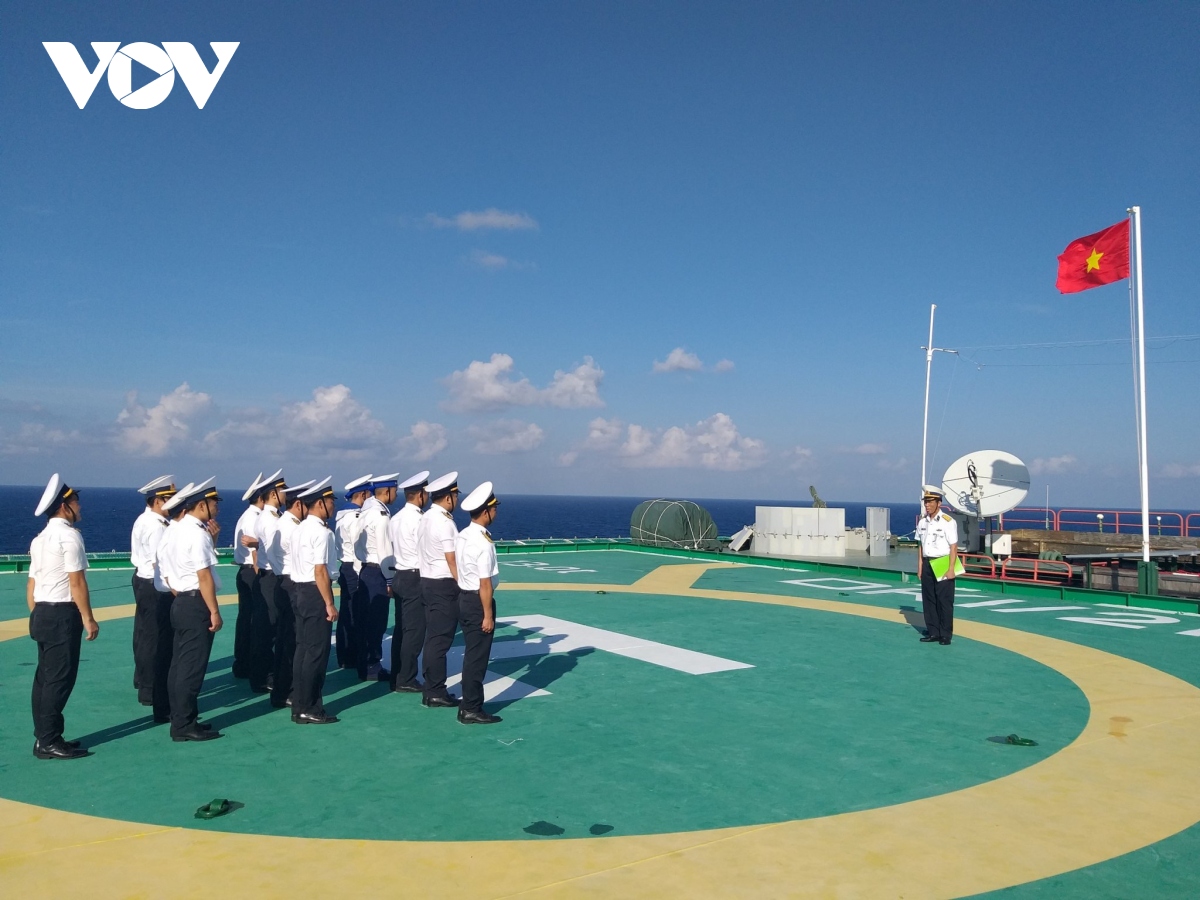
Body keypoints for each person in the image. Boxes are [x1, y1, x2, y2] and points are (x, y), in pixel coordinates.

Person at [27, 474, 98, 760]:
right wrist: (88, 618)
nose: (79, 507)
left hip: (42, 611)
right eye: (75, 502)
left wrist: (38, 613)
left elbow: (32, 583)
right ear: (63, 506)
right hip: (61, 614)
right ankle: (49, 741)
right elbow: (77, 582)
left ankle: (45, 736)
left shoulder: (39, 539)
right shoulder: (69, 536)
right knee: (59, 680)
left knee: (44, 679)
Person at [159, 479, 225, 742]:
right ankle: (184, 725)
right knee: (192, 667)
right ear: (201, 505)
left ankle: (183, 718)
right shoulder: (197, 534)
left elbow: (166, 573)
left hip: (181, 601)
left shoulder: (174, 531)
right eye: (213, 503)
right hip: (196, 603)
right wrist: (214, 611)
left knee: (179, 665)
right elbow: (204, 576)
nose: (217, 508)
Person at [288, 478, 340, 724]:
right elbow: (320, 571)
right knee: (316, 654)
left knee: (303, 651)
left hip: (299, 591)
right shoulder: (321, 532)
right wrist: (329, 603)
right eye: (330, 501)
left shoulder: (299, 529)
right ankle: (310, 707)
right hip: (314, 592)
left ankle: (299, 705)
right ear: (320, 503)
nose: (333, 505)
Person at [455, 482, 502, 725]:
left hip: (464, 598)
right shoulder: (483, 542)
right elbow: (485, 583)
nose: (496, 512)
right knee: (477, 658)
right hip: (477, 602)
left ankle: (468, 704)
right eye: (494, 509)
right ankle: (471, 708)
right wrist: (487, 615)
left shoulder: (463, 535)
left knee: (471, 655)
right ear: (485, 512)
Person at [130, 475, 176, 705]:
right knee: (154, 638)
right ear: (158, 501)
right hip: (153, 584)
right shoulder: (157, 526)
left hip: (143, 579)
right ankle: (149, 689)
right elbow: (161, 562)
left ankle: (142, 679)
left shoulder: (145, 519)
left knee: (144, 634)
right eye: (170, 498)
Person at [270, 480, 315, 708]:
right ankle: (287, 690)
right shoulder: (293, 528)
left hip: (282, 582)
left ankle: (282, 690)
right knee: (292, 642)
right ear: (299, 504)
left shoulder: (283, 523)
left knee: (286, 640)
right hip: (291, 584)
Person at [418, 471, 461, 708]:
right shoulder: (445, 522)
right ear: (447, 497)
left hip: (427, 582)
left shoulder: (425, 518)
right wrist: (463, 585)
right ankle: (435, 690)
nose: (457, 500)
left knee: (432, 638)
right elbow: (451, 559)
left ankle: (431, 688)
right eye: (455, 495)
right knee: (440, 640)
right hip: (443, 585)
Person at [387, 471, 429, 692]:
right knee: (415, 631)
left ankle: (397, 675)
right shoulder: (421, 520)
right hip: (415, 577)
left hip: (400, 576)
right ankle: (407, 678)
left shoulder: (395, 518)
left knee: (401, 630)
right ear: (421, 495)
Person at [353, 473, 396, 681]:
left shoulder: (365, 511)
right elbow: (385, 550)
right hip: (378, 572)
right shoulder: (381, 516)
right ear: (387, 491)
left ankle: (364, 664)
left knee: (364, 621)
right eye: (395, 490)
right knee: (376, 623)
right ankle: (373, 667)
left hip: (365, 570)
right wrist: (390, 579)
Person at [334, 474, 372, 669]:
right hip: (355, 568)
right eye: (369, 495)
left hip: (345, 567)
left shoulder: (343, 515)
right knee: (355, 615)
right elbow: (359, 548)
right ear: (363, 495)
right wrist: (360, 575)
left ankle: (345, 656)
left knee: (347, 614)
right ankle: (353, 656)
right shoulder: (356, 518)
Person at [916, 485, 959, 646]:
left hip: (942, 561)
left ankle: (945, 634)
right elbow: (921, 546)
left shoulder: (948, 521)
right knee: (929, 599)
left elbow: (953, 546)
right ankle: (933, 632)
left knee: (944, 600)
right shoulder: (922, 522)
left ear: (939, 503)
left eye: (930, 501)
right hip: (928, 562)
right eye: (925, 502)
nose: (927, 505)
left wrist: (951, 569)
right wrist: (920, 566)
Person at [231, 472, 264, 680]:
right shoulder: (254, 518)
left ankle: (242, 663)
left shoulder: (247, 515)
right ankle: (248, 664)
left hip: (245, 572)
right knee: (254, 621)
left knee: (246, 619)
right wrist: (261, 580)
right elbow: (255, 553)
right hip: (252, 572)